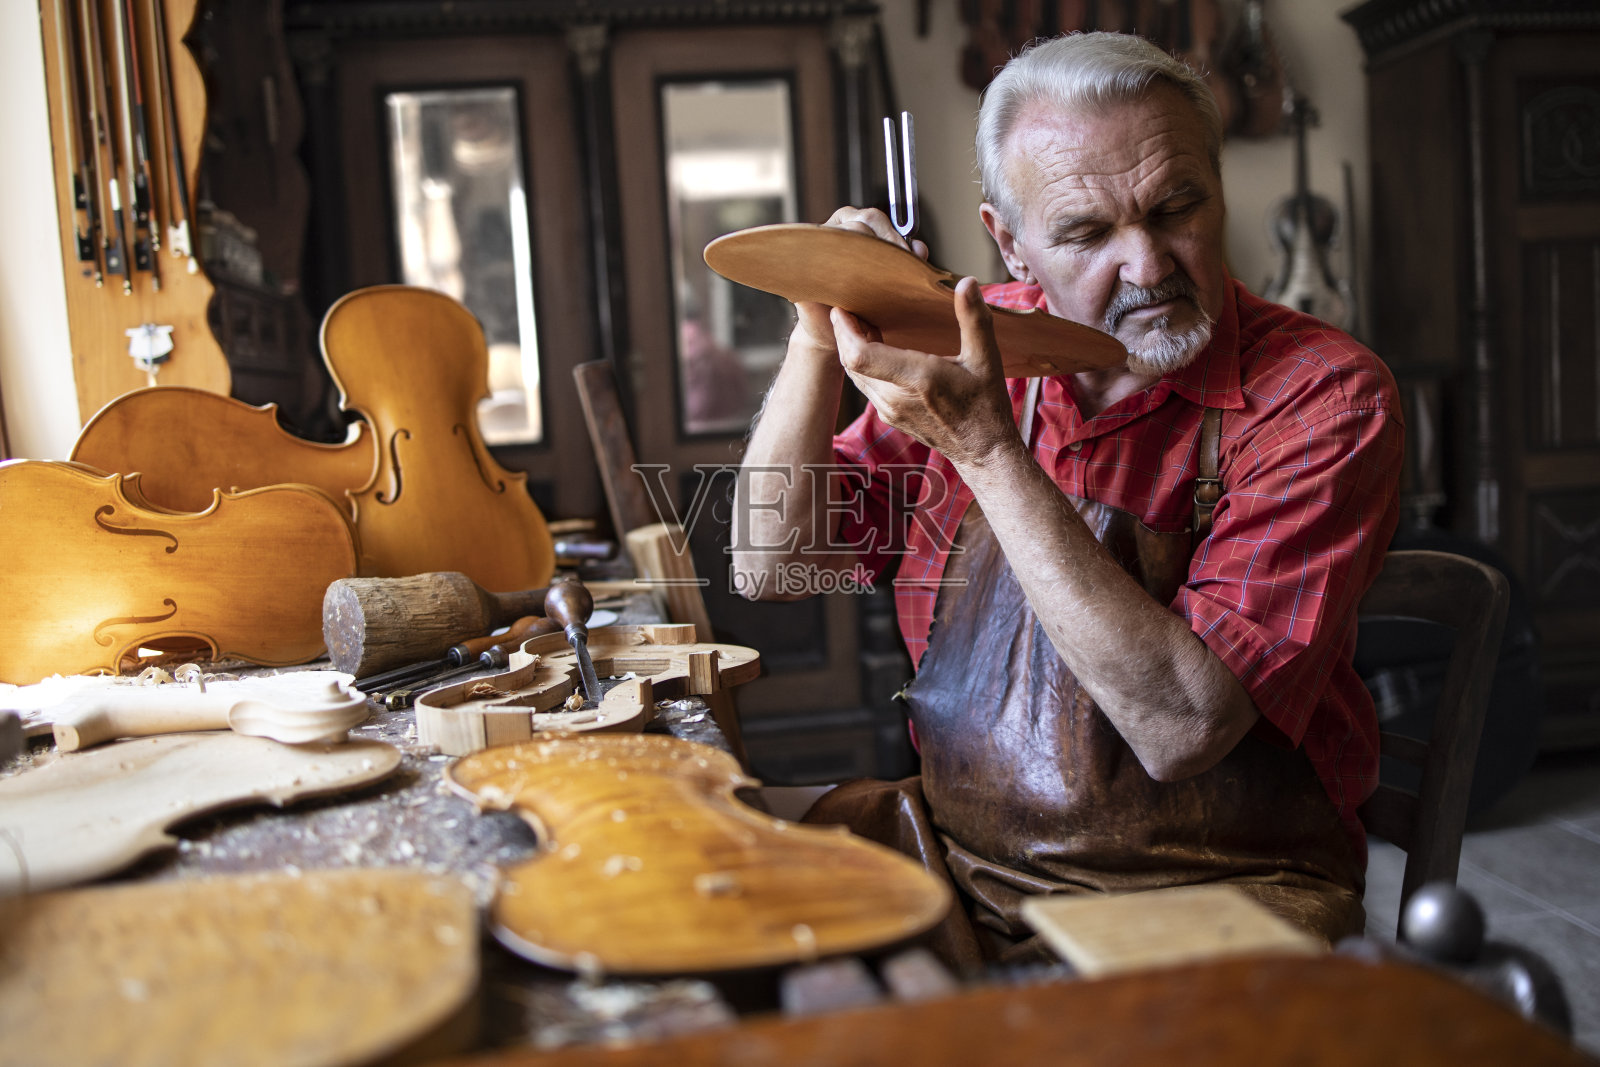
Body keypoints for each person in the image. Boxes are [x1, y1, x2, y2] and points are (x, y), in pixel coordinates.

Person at [732, 31, 1403, 967]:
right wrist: (818, 322)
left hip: (1215, 888)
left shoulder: (1321, 397)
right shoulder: (975, 354)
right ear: (1008, 241)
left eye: (1177, 208)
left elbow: (1183, 725)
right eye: (1087, 233)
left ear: (1217, 183)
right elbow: (769, 566)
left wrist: (987, 453)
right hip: (961, 863)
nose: (1148, 265)